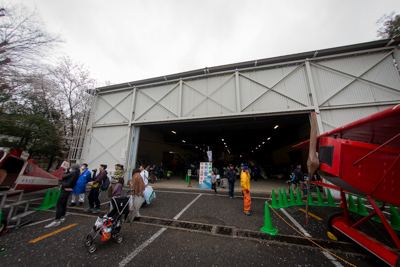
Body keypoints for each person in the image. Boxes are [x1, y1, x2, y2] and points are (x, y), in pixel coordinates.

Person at [45, 163, 80, 228]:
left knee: (59, 204)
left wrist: (66, 172)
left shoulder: (73, 172)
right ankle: (62, 216)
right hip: (69, 189)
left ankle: (57, 220)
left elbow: (63, 177)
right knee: (63, 203)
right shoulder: (76, 173)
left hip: (65, 189)